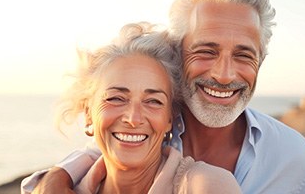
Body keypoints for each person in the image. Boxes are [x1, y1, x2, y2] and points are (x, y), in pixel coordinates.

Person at [22, 0, 305, 193]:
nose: (224, 74)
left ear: (260, 62)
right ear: (178, 54)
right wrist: (56, 177)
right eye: (206, 51)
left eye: (244, 56)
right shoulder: (151, 130)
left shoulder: (295, 161)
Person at [22, 22, 242, 194]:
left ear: (169, 119)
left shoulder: (206, 186)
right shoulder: (59, 186)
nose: (133, 118)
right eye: (116, 98)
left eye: (153, 101)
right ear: (89, 114)